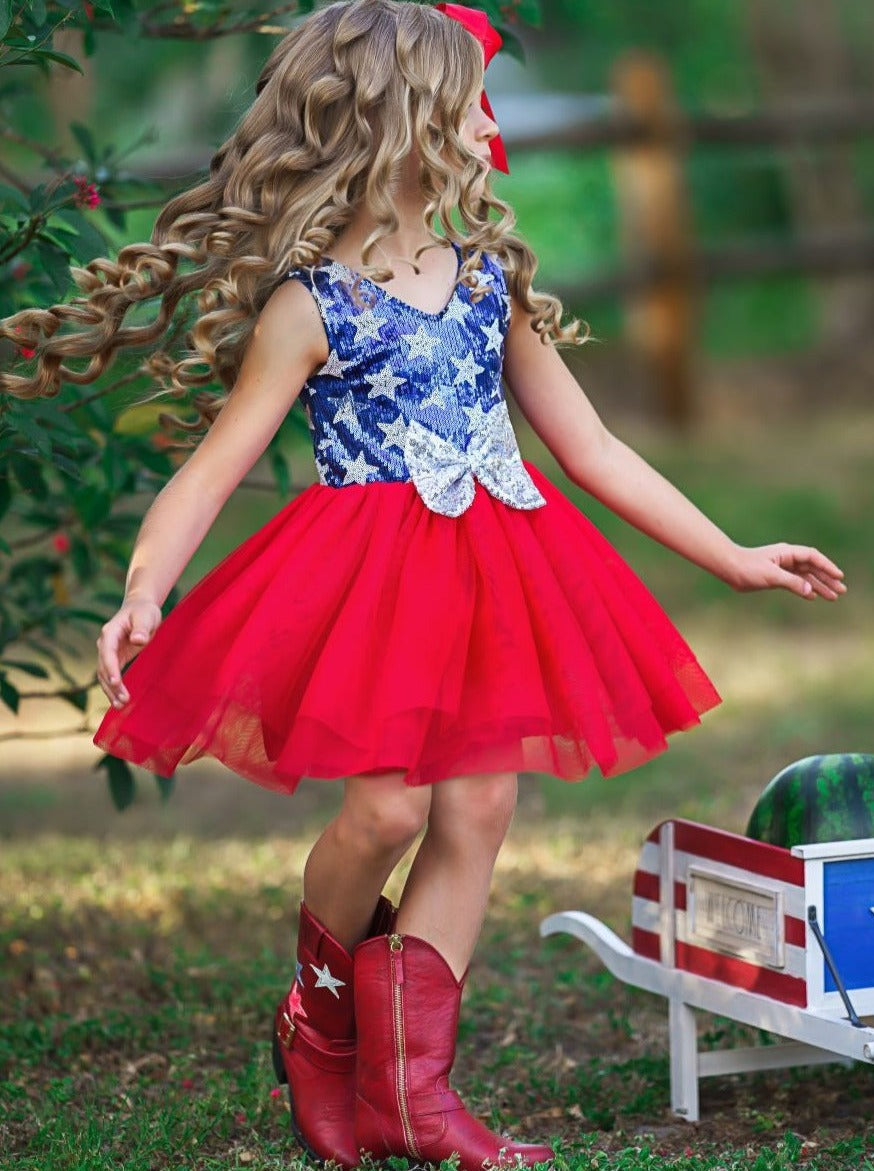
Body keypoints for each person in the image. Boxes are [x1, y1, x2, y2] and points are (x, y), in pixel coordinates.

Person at [1, 2, 846, 1167]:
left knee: (479, 807)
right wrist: (147, 587)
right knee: (389, 808)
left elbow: (591, 451)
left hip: (498, 571)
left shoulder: (490, 280)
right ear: (407, 120)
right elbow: (211, 469)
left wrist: (732, 555)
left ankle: (415, 1095)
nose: (487, 113)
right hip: (372, 587)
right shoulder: (312, 304)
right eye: (470, 92)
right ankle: (316, 1018)